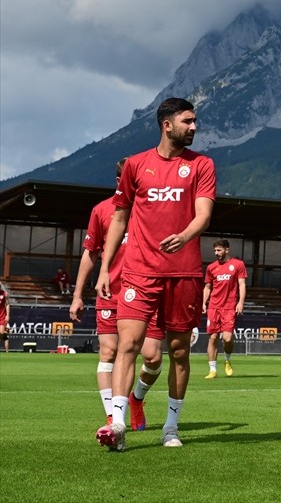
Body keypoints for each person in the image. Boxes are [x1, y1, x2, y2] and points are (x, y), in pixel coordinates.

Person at [94, 98, 216, 451]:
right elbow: (119, 218)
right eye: (188, 121)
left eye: (195, 121)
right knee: (128, 345)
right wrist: (105, 268)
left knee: (178, 353)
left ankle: (171, 427)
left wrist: (186, 235)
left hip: (184, 274)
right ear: (167, 125)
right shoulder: (135, 165)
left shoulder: (202, 165)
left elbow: (204, 214)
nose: (194, 127)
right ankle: (117, 423)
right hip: (139, 272)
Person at [71, 158, 165, 432]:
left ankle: (136, 399)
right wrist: (78, 294)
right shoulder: (101, 211)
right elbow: (90, 254)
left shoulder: (153, 209)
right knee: (109, 351)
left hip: (148, 290)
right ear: (119, 181)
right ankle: (113, 417)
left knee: (153, 356)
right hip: (111, 292)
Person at [202, 239, 247, 378]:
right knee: (213, 338)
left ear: (227, 250)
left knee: (227, 339)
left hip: (229, 307)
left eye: (219, 250)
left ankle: (227, 361)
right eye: (215, 250)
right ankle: (212, 370)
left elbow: (242, 284)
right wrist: (204, 302)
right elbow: (208, 286)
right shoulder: (211, 267)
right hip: (214, 307)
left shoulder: (238, 265)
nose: (216, 253)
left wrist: (241, 302)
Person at [0, 282, 9, 353]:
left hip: (1, 316)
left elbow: (7, 304)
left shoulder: (4, 294)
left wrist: (8, 315)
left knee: (1, 333)